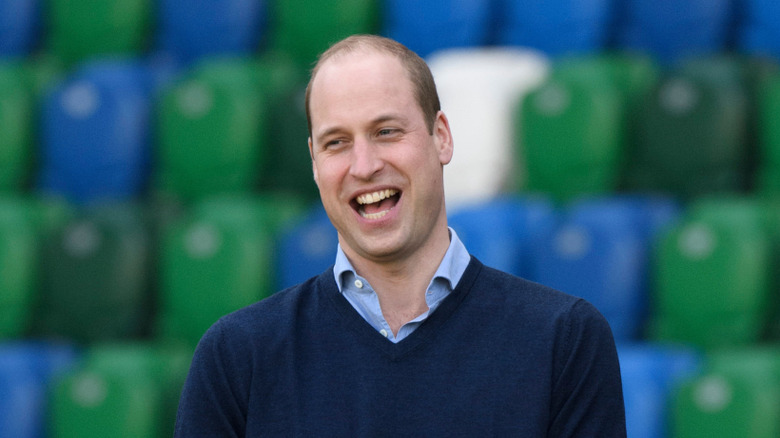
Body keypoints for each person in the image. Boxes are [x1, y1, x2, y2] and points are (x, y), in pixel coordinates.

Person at [174, 34, 626, 437]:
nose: (364, 165)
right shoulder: (238, 356)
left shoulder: (563, 340)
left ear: (441, 137)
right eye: (336, 142)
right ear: (314, 163)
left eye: (386, 131)